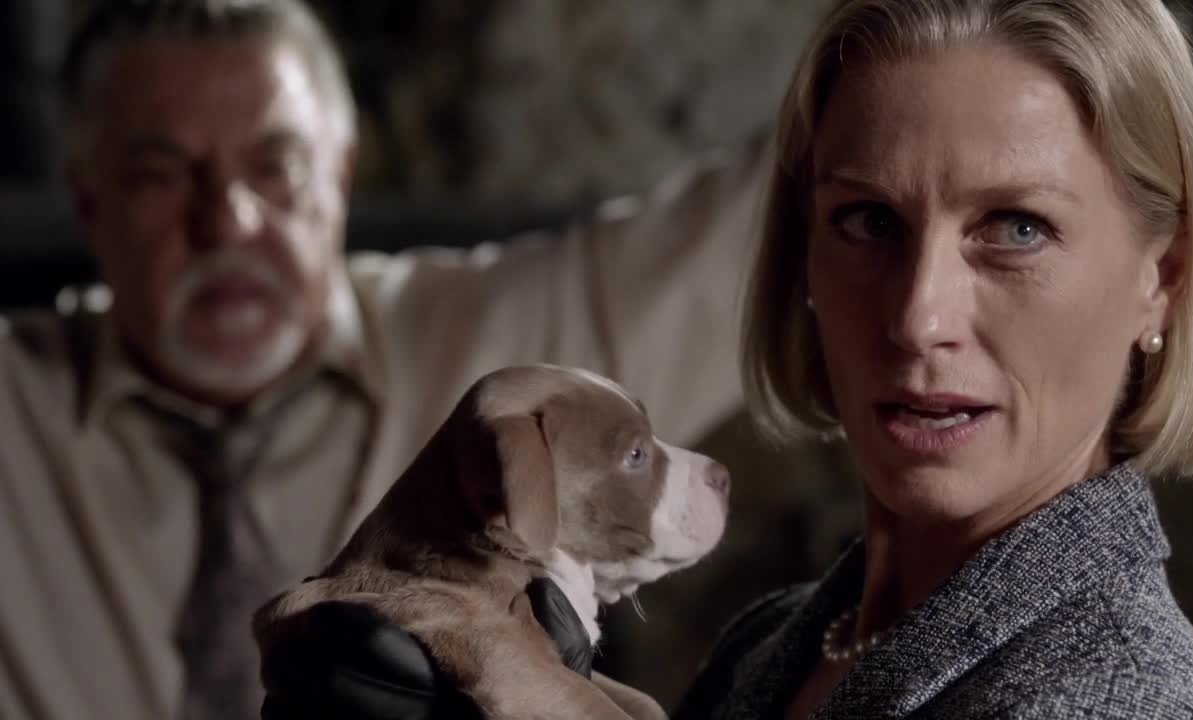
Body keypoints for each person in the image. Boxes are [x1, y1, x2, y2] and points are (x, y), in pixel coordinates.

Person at [266, 0, 1193, 718]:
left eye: (1015, 228)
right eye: (866, 221)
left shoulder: (1114, 699)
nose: (917, 316)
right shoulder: (779, 641)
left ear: (1162, 277)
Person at [0, 1, 761, 719]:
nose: (226, 220)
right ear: (87, 200)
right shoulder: (15, 404)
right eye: (160, 175)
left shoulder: (500, 339)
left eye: (276, 165)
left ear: (340, 172)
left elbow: (764, 209)